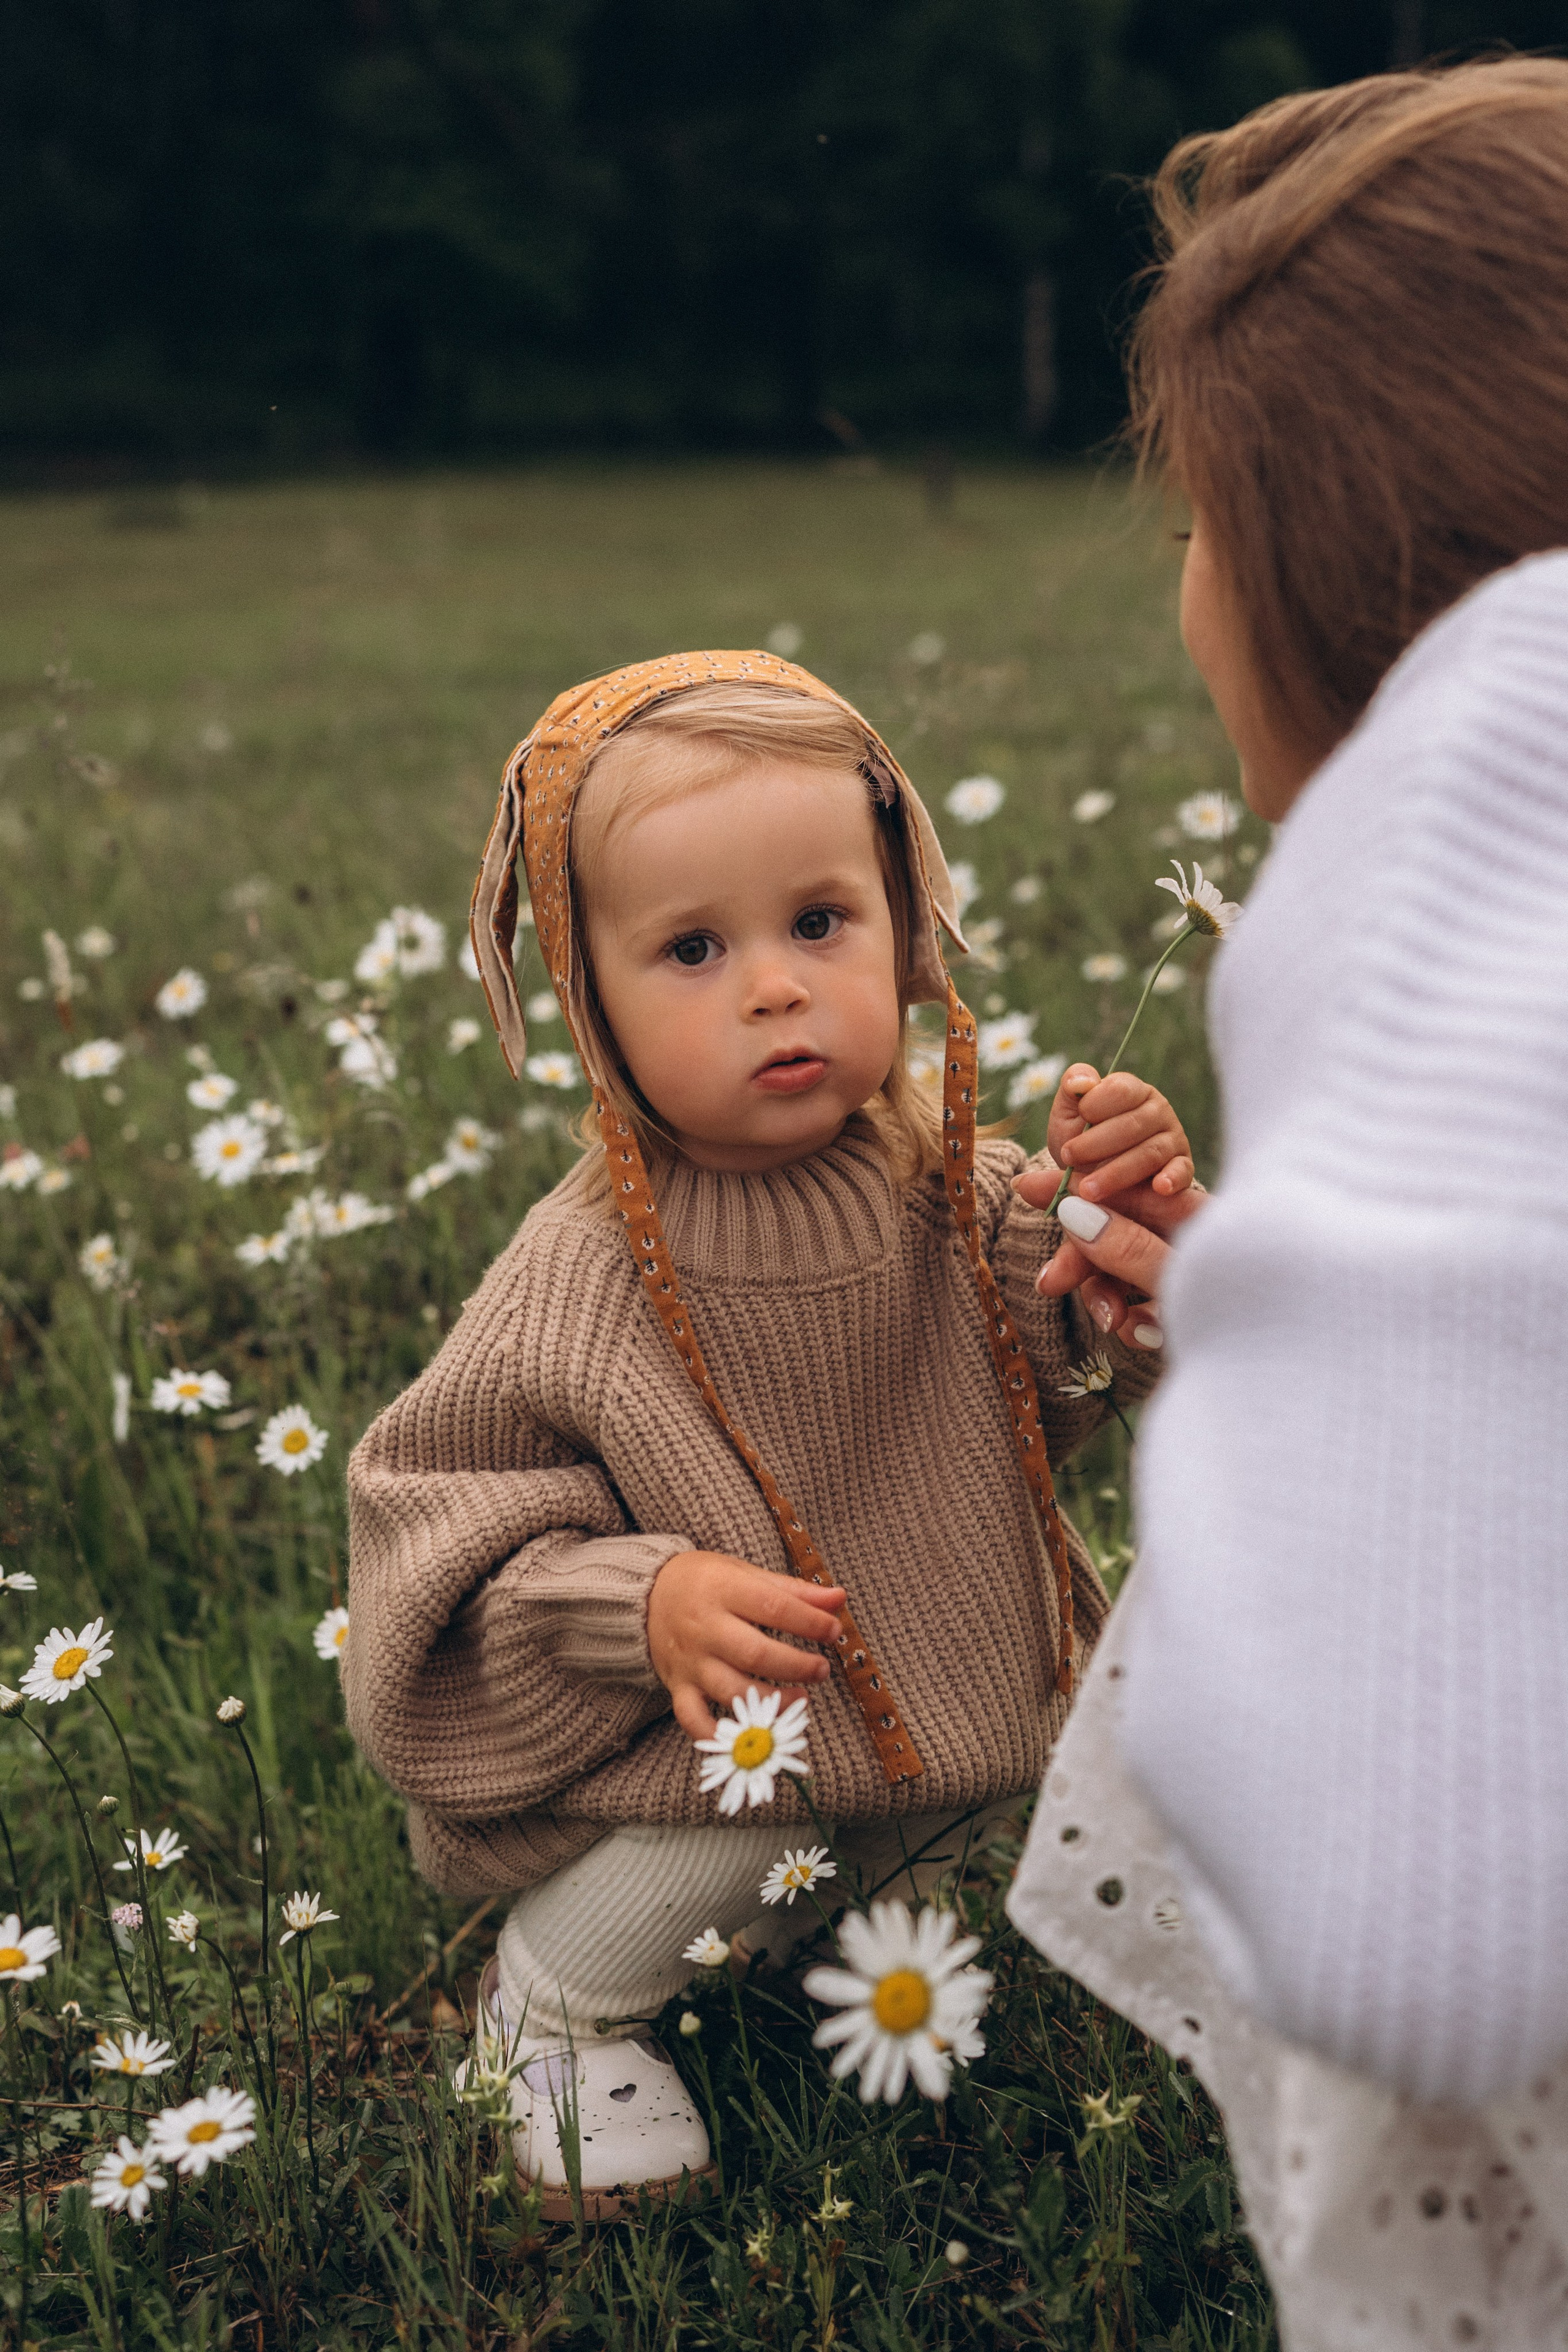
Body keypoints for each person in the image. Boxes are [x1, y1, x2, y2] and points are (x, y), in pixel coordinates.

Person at [342, 651, 1188, 2212]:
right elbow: (440, 1524)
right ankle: (554, 2006)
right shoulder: (586, 1274)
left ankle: (828, 1940)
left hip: (927, 1688)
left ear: (904, 927)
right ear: (590, 1001)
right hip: (705, 1736)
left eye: (818, 921)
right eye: (690, 948)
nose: (774, 987)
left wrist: (1123, 1244)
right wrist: (639, 1599)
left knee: (975, 1773)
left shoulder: (950, 1187)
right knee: (753, 1795)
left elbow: (1067, 1371)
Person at [1006, 58, 1568, 2345]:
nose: (1184, 586)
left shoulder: (1467, 863)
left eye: (1199, 524)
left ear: (1335, 573)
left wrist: (1287, 1421)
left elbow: (1408, 1915)